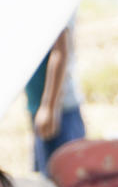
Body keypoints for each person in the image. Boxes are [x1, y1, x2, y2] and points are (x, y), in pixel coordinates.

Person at [25, 24, 85, 173]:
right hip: (38, 105)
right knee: (46, 177)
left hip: (59, 110)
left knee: (63, 179)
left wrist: (49, 107)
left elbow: (60, 51)